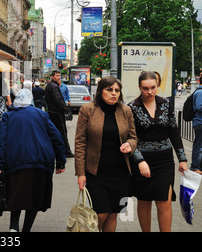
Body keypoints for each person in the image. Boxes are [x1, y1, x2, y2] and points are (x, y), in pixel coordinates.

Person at [0, 89, 66, 232]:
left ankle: (13, 227)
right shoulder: (42, 114)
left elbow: (0, 141)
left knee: (16, 195)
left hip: (16, 163)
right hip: (41, 163)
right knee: (35, 198)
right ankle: (26, 229)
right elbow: (57, 138)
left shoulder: (8, 115)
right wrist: (61, 162)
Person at [74, 76, 137, 232]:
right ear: (100, 91)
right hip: (96, 172)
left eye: (116, 90)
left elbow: (133, 137)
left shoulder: (126, 111)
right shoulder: (87, 110)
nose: (113, 93)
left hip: (120, 172)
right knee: (100, 214)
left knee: (113, 214)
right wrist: (80, 173)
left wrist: (129, 145)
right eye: (109, 90)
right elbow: (80, 142)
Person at [128, 71, 188, 232]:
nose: (150, 92)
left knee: (164, 201)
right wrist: (140, 161)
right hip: (142, 161)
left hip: (164, 161)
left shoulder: (165, 104)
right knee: (144, 200)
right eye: (145, 88)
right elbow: (130, 138)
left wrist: (182, 159)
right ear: (139, 87)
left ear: (158, 86)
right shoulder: (132, 107)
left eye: (153, 87)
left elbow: (173, 131)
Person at [45, 70, 74, 157]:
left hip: (51, 111)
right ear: (52, 77)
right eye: (57, 75)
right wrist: (64, 107)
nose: (58, 77)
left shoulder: (50, 85)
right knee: (62, 132)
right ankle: (66, 151)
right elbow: (58, 99)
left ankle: (55, 150)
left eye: (59, 76)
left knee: (54, 131)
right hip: (57, 112)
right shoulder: (54, 86)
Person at [191, 73, 202, 174]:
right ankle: (195, 167)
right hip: (200, 122)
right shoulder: (200, 92)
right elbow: (199, 107)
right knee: (198, 146)